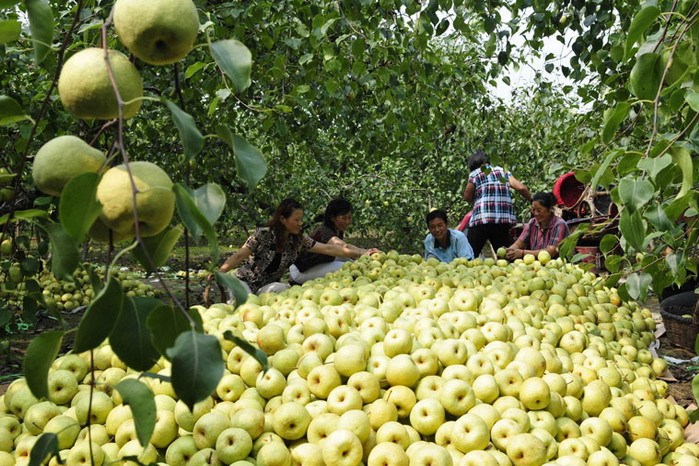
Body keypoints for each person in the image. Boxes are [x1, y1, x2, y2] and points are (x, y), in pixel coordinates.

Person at [213, 198, 375, 294]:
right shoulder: (263, 234)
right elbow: (239, 255)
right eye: (296, 220)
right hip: (244, 282)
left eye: (301, 219)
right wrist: (220, 273)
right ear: (283, 219)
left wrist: (362, 253)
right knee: (244, 306)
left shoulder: (298, 239)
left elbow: (328, 248)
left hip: (265, 286)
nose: (300, 224)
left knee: (286, 293)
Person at [463, 150, 532, 257]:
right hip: (502, 221)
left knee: (469, 255)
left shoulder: (476, 173)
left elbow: (467, 196)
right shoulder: (502, 172)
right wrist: (533, 201)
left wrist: (477, 195)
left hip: (482, 218)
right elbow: (521, 188)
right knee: (504, 257)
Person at [290, 198, 371, 284]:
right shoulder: (324, 231)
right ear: (332, 218)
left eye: (349, 218)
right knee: (347, 267)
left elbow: (347, 247)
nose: (347, 221)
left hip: (317, 262)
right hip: (300, 271)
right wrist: (366, 253)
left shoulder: (337, 229)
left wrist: (367, 252)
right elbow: (344, 247)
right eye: (343, 218)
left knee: (353, 262)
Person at [506, 192, 570, 260]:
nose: (536, 213)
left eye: (539, 210)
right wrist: (510, 250)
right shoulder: (532, 223)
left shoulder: (559, 224)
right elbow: (519, 244)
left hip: (560, 265)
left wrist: (523, 253)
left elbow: (551, 252)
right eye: (533, 210)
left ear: (549, 209)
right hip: (538, 266)